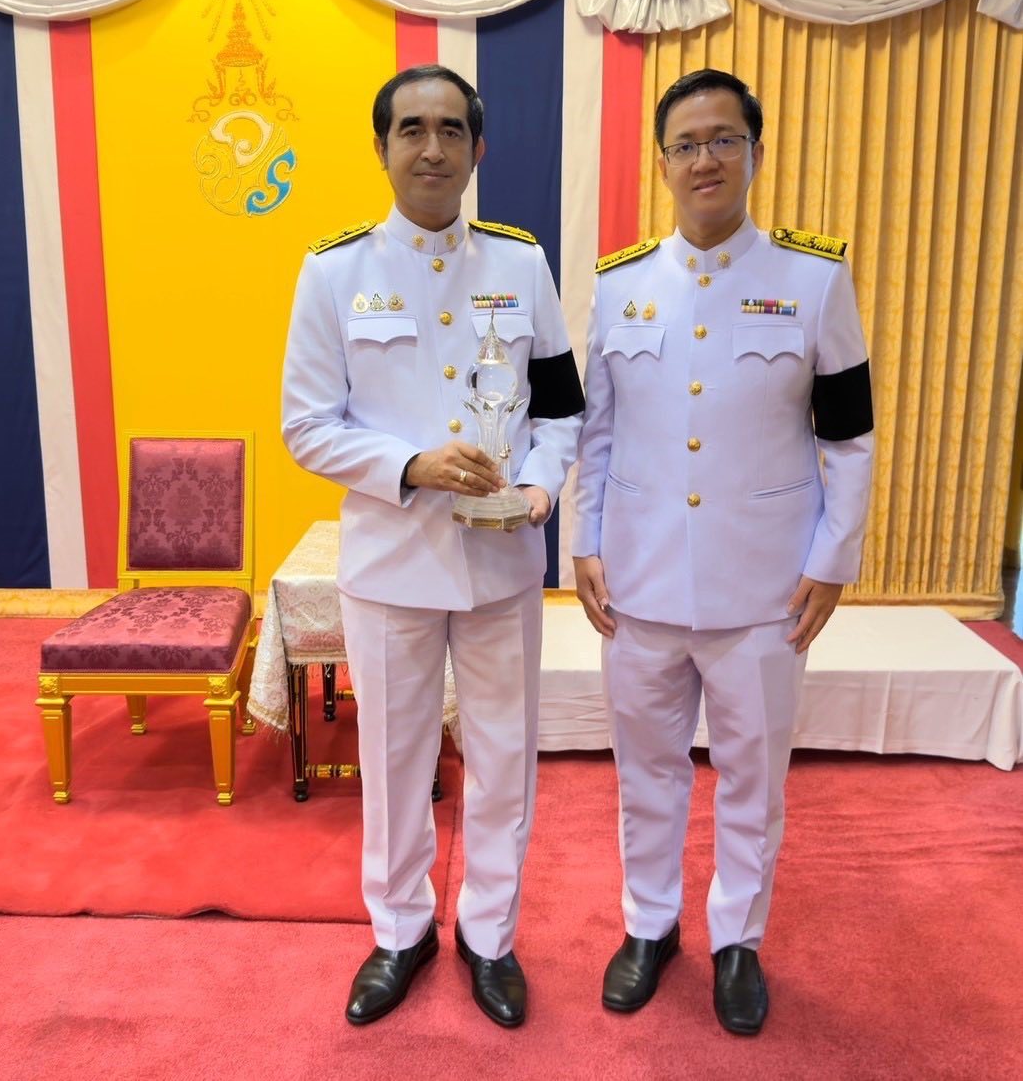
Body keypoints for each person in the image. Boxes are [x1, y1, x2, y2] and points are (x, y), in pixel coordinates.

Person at [282, 64, 584, 1028]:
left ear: (476, 149)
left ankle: (489, 936)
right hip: (391, 562)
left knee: (504, 759)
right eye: (410, 129)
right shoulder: (335, 272)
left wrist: (540, 485)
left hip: (500, 564)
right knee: (394, 761)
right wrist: (410, 464)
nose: (431, 147)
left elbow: (562, 411)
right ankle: (400, 930)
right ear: (380, 148)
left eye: (451, 129)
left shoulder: (519, 264)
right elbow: (305, 427)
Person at [573, 68, 873, 1035]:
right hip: (639, 578)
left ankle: (737, 938)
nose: (704, 159)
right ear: (662, 163)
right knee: (646, 772)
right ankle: (648, 925)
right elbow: (597, 430)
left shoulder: (813, 280)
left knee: (753, 777)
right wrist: (583, 541)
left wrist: (832, 558)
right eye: (685, 144)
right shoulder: (619, 284)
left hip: (765, 585)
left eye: (723, 140)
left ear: (753, 151)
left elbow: (848, 435)